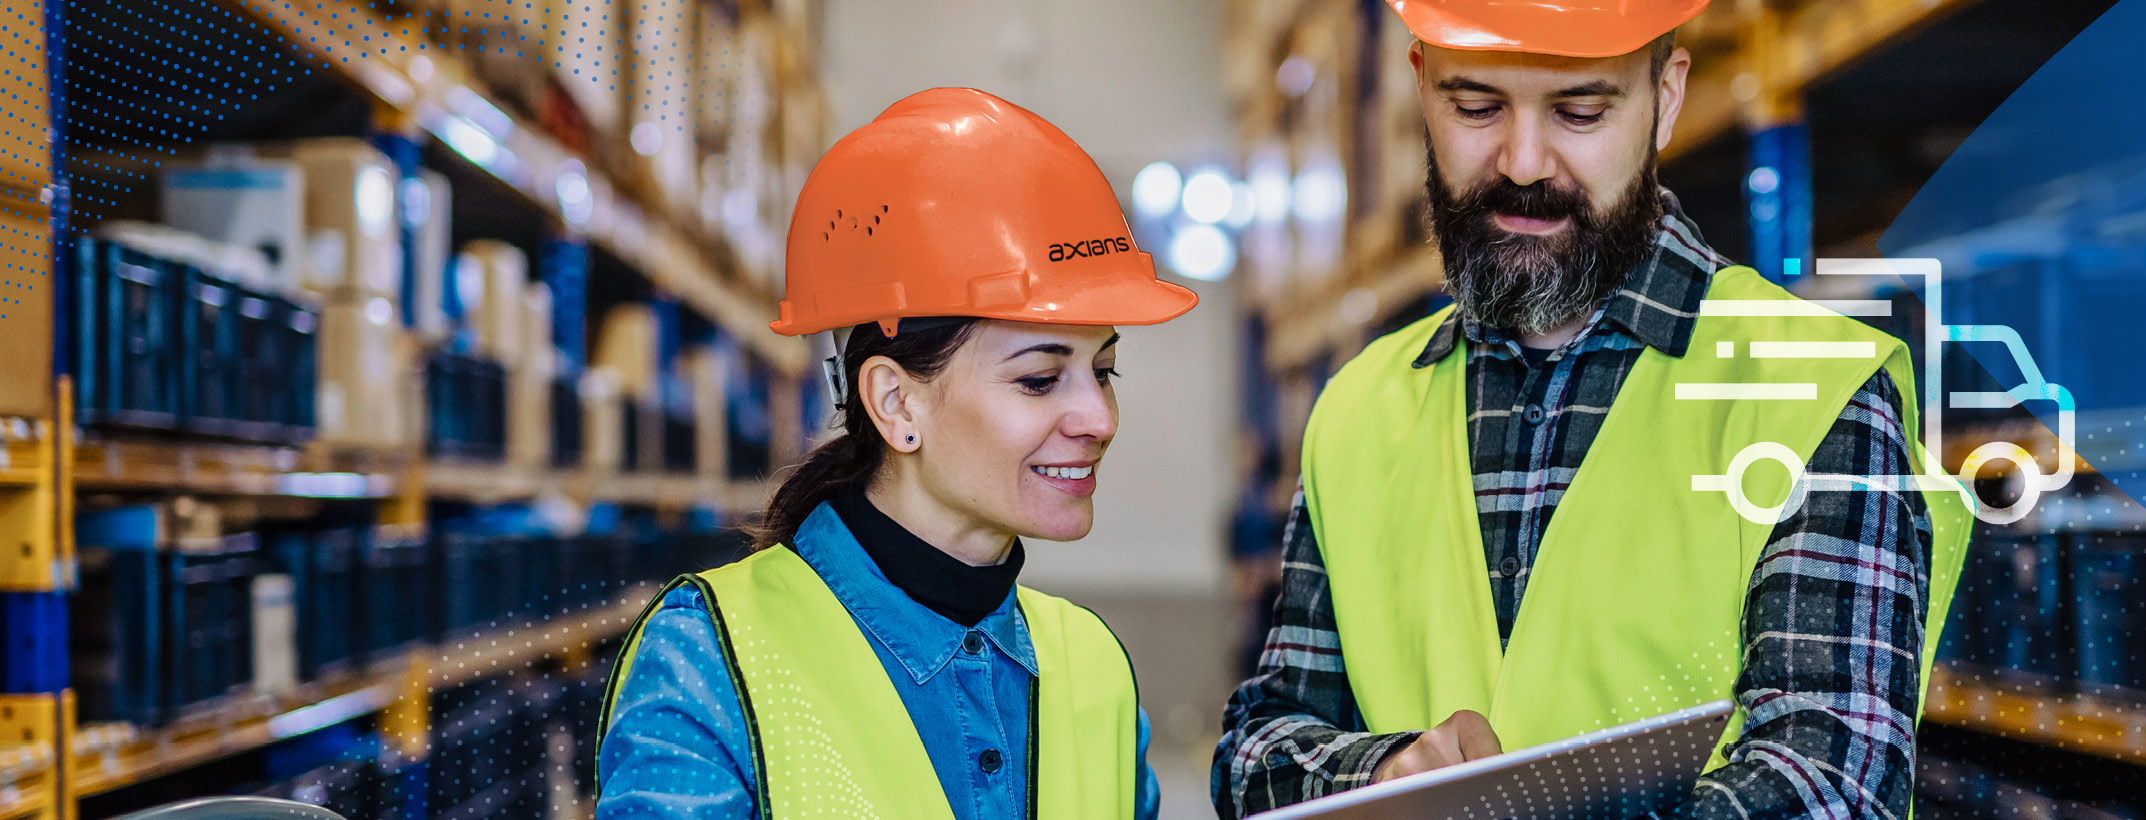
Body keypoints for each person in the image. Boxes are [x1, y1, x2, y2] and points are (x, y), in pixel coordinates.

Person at [1211, 1, 1974, 818]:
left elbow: (1831, 781)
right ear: (1421, 85)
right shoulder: (1360, 409)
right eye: (1476, 107)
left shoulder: (1815, 393)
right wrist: (1385, 771)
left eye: (1579, 111)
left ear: (1666, 96)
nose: (1525, 162)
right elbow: (1257, 753)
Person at [597, 87, 1199, 820]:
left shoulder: (1093, 669)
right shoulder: (710, 662)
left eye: (1105, 371)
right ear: (894, 403)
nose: (1099, 417)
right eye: (1040, 379)